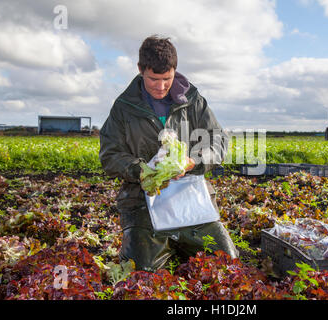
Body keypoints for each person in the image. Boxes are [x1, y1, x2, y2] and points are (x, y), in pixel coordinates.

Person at [99, 35, 239, 271]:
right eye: (154, 79)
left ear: (175, 70)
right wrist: (142, 171)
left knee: (228, 264)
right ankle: (159, 245)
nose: (161, 86)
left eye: (167, 78)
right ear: (140, 69)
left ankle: (181, 244)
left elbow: (219, 141)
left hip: (191, 200)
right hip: (142, 203)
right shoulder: (124, 107)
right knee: (143, 272)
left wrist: (192, 161)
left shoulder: (194, 101)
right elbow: (110, 155)